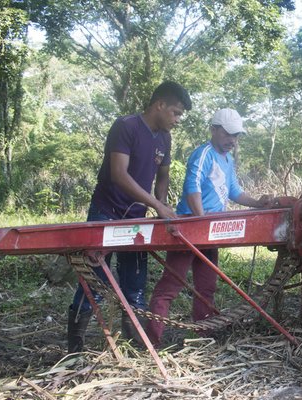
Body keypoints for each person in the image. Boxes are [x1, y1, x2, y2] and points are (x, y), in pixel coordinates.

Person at [67, 81, 192, 353]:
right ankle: (75, 347)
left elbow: (164, 174)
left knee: (135, 285)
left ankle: (134, 342)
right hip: (106, 213)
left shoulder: (165, 138)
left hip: (137, 218)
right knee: (94, 283)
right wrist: (156, 206)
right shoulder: (127, 126)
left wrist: (160, 202)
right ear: (159, 104)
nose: (178, 120)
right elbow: (119, 175)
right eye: (176, 112)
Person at [146, 108, 273, 346]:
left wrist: (257, 203)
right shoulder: (203, 154)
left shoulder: (228, 159)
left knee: (207, 286)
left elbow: (233, 190)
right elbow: (191, 186)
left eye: (236, 136)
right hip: (190, 229)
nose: (232, 141)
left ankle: (204, 334)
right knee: (170, 286)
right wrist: (201, 220)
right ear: (214, 130)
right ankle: (152, 340)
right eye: (227, 135)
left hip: (210, 230)